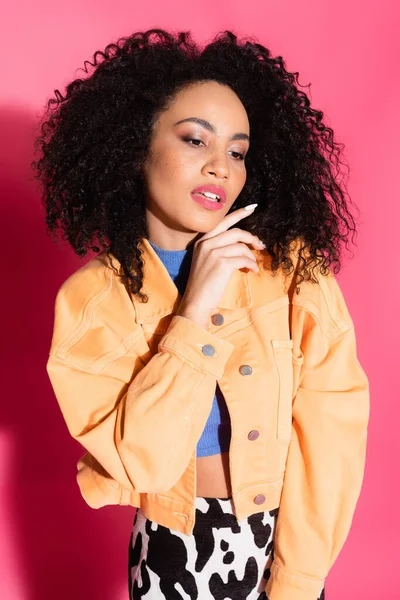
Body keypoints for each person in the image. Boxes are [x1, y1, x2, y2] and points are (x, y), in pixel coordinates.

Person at [32, 28, 370, 600]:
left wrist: (298, 579)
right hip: (170, 547)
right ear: (136, 147)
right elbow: (145, 464)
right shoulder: (92, 303)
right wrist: (195, 310)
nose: (220, 167)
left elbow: (333, 432)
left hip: (281, 542)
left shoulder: (290, 272)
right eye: (195, 140)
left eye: (237, 151)